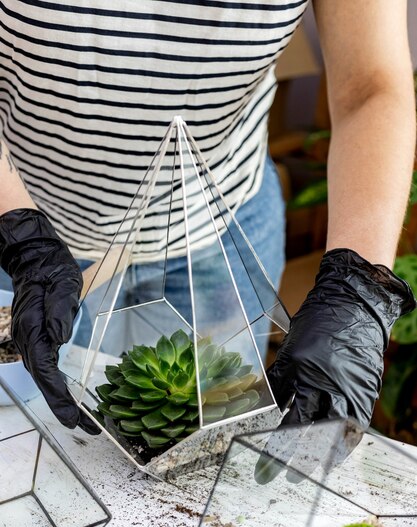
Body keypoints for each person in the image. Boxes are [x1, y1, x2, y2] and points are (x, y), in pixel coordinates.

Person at [0, 0, 415, 435]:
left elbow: (369, 85)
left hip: (218, 240)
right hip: (22, 250)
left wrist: (357, 293)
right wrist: (22, 238)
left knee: (199, 456)